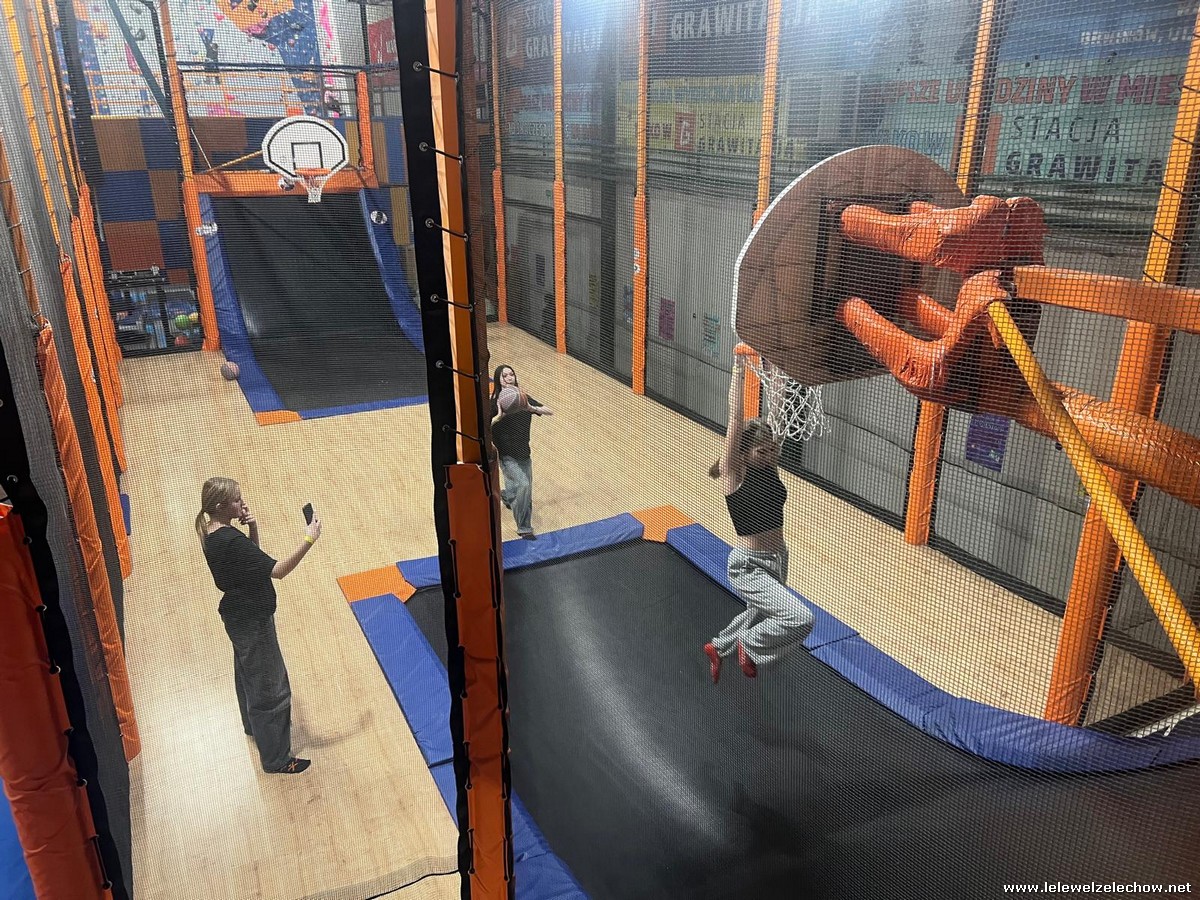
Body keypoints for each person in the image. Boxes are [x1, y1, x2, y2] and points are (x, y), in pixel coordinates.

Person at [196, 477, 321, 774]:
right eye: (236, 499)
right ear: (220, 506)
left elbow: (251, 564)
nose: (242, 503)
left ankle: (253, 726)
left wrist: (252, 528)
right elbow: (278, 570)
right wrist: (309, 539)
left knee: (247, 673)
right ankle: (277, 759)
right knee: (271, 688)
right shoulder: (231, 541)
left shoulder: (211, 532)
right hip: (253, 620)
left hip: (238, 617)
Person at [703, 356, 814, 682]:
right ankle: (750, 644)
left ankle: (718, 646)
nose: (769, 456)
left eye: (772, 450)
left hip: (779, 558)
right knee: (800, 618)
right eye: (762, 452)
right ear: (744, 453)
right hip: (749, 566)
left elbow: (777, 412)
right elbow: (735, 419)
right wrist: (739, 368)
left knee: (762, 611)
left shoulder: (771, 468)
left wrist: (777, 368)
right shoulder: (733, 473)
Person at [490, 364, 553, 540]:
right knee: (523, 485)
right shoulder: (494, 404)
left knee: (523, 488)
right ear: (498, 380)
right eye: (504, 376)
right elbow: (482, 429)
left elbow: (550, 411)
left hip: (524, 453)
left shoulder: (523, 400)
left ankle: (507, 496)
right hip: (506, 456)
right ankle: (524, 528)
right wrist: (497, 418)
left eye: (511, 374)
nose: (509, 378)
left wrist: (532, 408)